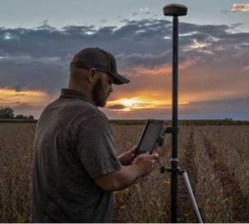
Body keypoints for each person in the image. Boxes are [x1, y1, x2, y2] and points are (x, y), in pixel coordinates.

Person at [30, 47, 159, 223]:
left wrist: (117, 162)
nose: (111, 89)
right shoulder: (89, 116)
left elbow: (71, 169)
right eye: (109, 81)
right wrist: (138, 167)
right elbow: (111, 181)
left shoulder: (51, 110)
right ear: (92, 75)